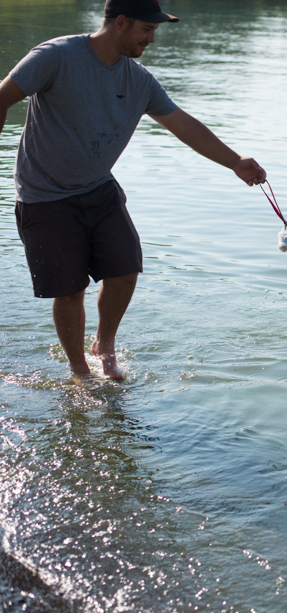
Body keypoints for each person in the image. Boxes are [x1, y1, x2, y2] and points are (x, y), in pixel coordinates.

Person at [0, 0, 266, 381]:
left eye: (155, 31)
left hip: (97, 188)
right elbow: (2, 97)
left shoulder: (138, 79)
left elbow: (182, 124)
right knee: (70, 289)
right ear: (120, 22)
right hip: (45, 195)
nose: (152, 39)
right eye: (147, 29)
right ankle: (80, 371)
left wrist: (235, 163)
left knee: (125, 270)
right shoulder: (55, 57)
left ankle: (104, 344)